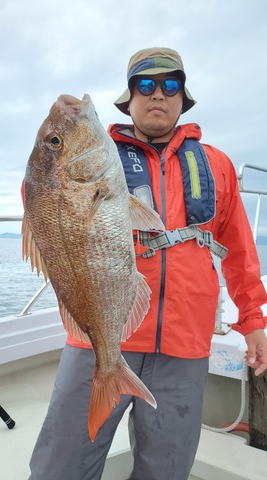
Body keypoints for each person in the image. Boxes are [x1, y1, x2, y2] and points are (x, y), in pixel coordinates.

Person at [27, 47, 267, 480]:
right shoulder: (104, 155)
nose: (158, 94)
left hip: (184, 344)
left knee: (166, 471)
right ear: (129, 97)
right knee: (59, 468)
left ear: (182, 97)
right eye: (145, 85)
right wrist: (50, 144)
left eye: (169, 85)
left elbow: (240, 250)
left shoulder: (216, 164)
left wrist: (252, 320)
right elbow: (42, 203)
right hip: (95, 337)